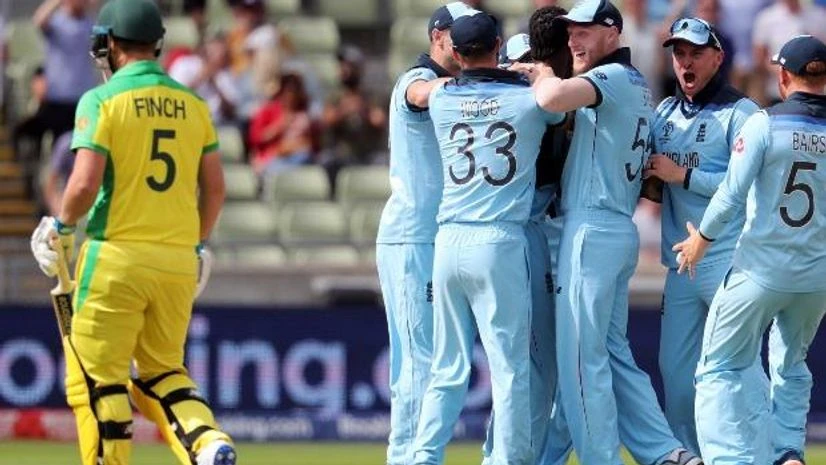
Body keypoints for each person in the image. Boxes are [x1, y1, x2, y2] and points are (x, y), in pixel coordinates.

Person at [28, 1, 234, 464]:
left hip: (116, 257)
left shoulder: (101, 100)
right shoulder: (194, 105)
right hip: (178, 262)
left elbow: (82, 183)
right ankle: (208, 442)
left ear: (111, 45)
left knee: (98, 380)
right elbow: (216, 189)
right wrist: (195, 244)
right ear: (157, 44)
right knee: (163, 374)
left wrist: (61, 226)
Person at [518, 1, 702, 464]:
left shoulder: (613, 78)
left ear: (612, 31)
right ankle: (665, 454)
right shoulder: (634, 82)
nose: (573, 39)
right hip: (613, 227)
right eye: (569, 32)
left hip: (592, 228)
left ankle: (601, 458)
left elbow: (550, 100)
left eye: (583, 30)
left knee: (581, 364)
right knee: (614, 355)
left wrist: (540, 73)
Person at [410, 11, 564, 465]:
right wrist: (535, 70)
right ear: (499, 44)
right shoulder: (529, 102)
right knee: (511, 368)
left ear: (455, 54)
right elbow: (554, 107)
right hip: (499, 241)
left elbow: (426, 92)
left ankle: (422, 458)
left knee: (447, 367)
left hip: (448, 240)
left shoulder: (443, 101)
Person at [674, 34, 826, 465]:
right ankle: (788, 454)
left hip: (759, 270)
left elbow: (730, 194)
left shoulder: (763, 123)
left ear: (782, 77)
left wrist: (701, 240)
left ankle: (730, 460)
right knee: (792, 366)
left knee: (720, 366)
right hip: (816, 278)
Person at [644, 17, 759, 456]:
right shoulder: (663, 114)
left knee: (739, 373)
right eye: (678, 53)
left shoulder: (742, 112)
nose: (685, 62)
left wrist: (684, 175)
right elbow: (651, 174)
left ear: (718, 56)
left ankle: (759, 453)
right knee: (676, 380)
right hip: (681, 265)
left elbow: (746, 184)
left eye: (695, 52)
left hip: (727, 259)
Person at [375, 3, 473, 465]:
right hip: (412, 236)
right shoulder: (415, 79)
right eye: (459, 37)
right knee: (418, 365)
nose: (466, 45)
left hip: (442, 237)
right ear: (437, 36)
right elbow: (419, 93)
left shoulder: (458, 84)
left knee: (442, 365)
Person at [483, 8, 573, 463]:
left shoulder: (546, 105)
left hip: (546, 233)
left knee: (550, 371)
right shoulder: (533, 111)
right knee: (534, 369)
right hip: (527, 235)